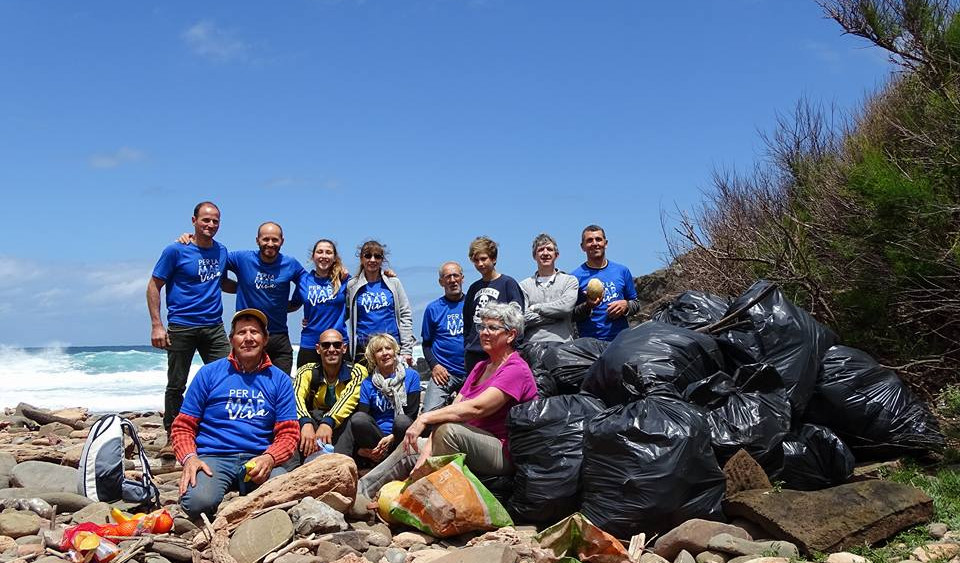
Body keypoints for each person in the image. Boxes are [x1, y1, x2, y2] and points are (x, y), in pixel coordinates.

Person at [357, 302, 537, 499]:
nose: (484, 332)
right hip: (470, 440)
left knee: (449, 431)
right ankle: (359, 492)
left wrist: (424, 418)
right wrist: (425, 451)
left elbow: (477, 408)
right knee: (412, 445)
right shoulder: (480, 368)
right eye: (482, 327)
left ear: (510, 335)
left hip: (502, 450)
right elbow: (455, 409)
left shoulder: (515, 369)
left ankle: (420, 499)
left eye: (492, 328)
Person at [171, 308, 299, 521]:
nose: (248, 338)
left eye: (254, 332)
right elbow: (183, 425)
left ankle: (245, 506)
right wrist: (189, 458)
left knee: (281, 495)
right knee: (196, 503)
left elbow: (289, 433)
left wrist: (270, 457)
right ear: (231, 339)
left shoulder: (280, 380)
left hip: (258, 459)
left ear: (265, 339)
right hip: (213, 457)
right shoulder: (209, 373)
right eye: (241, 333)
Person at [148, 201, 232, 459]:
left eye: (215, 221)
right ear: (194, 220)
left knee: (228, 377)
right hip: (181, 326)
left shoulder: (221, 251)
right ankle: (173, 435)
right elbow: (154, 285)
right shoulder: (176, 250)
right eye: (205, 220)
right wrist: (157, 324)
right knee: (176, 384)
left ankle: (218, 429)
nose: (210, 225)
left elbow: (222, 281)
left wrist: (254, 289)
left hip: (213, 326)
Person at [177, 222, 306, 375]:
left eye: (275, 240)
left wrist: (294, 303)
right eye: (265, 239)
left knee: (280, 389)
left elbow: (308, 282)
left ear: (282, 241)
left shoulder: (291, 264)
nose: (270, 244)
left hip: (278, 338)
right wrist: (194, 240)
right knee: (242, 386)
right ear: (257, 240)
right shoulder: (242, 258)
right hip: (247, 336)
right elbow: (213, 258)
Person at [334, 334, 420, 465]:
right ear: (373, 357)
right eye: (379, 351)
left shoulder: (411, 376)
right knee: (357, 418)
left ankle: (390, 455)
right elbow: (364, 415)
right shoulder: (368, 383)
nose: (385, 353)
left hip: (400, 435)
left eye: (388, 348)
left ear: (395, 351)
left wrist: (392, 437)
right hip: (376, 438)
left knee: (402, 421)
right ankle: (339, 463)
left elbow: (411, 415)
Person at [292, 329, 368, 462]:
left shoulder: (357, 371)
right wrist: (305, 422)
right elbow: (296, 397)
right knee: (293, 424)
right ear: (318, 349)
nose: (331, 349)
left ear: (344, 348)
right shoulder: (306, 370)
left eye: (337, 345)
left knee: (337, 461)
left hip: (343, 425)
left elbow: (348, 400)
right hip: (314, 423)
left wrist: (328, 422)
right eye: (326, 345)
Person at [462, 237, 524, 376]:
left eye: (484, 259)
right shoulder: (473, 288)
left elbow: (517, 319)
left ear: (494, 259)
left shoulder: (508, 284)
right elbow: (467, 321)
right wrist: (468, 345)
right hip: (475, 354)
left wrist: (513, 349)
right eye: (476, 260)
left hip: (500, 352)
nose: (480, 264)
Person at [346, 241, 415, 367]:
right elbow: (342, 312)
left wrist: (406, 350)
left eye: (377, 256)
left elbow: (405, 315)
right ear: (361, 258)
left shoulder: (393, 283)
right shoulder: (352, 285)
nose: (372, 260)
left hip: (391, 346)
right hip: (363, 349)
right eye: (368, 256)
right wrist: (311, 319)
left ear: (382, 260)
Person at [571, 224, 641, 341]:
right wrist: (588, 306)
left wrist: (626, 305)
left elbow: (636, 304)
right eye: (589, 240)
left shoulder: (622, 271)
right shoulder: (574, 278)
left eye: (598, 239)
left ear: (606, 243)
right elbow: (570, 315)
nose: (594, 243)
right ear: (582, 247)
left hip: (620, 341)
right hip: (589, 345)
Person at [293, 239, 349, 368]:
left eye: (328, 252)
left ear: (334, 258)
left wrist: (387, 275)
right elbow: (294, 304)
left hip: (337, 343)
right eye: (320, 252)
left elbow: (359, 302)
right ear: (313, 256)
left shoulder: (344, 280)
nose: (324, 256)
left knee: (342, 387)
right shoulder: (303, 280)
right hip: (310, 342)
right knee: (306, 386)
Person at [420, 262, 466, 412]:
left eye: (456, 275)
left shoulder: (473, 305)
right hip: (445, 373)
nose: (452, 280)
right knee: (429, 414)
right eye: (448, 277)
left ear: (462, 278)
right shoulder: (433, 309)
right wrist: (434, 366)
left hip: (471, 372)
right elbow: (426, 344)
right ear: (441, 282)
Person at [519, 233, 579, 343]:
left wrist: (535, 308)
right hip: (531, 347)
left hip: (563, 347)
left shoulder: (570, 281)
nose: (545, 253)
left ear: (557, 255)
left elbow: (566, 307)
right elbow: (522, 317)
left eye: (549, 249)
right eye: (541, 250)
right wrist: (556, 317)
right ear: (534, 256)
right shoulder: (524, 286)